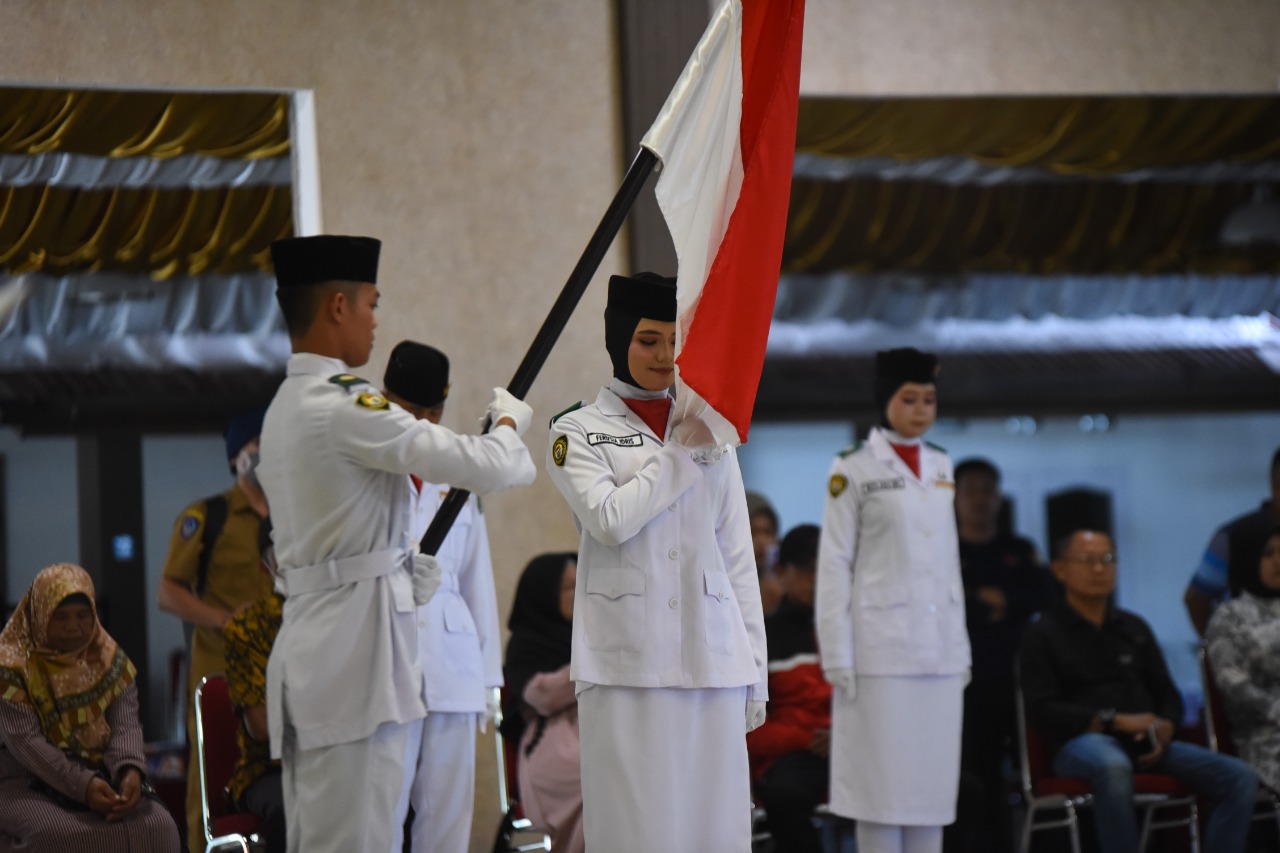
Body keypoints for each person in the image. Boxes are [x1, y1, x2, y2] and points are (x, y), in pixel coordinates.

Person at [256, 234, 537, 853]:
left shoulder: (286, 406)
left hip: (331, 658)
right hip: (356, 670)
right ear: (337, 307)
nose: (375, 322)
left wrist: (397, 569)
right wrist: (511, 424)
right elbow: (477, 463)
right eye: (371, 305)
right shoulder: (344, 403)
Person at [545, 272, 767, 852]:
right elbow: (611, 519)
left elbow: (736, 555)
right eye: (648, 339)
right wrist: (679, 456)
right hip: (627, 665)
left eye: (676, 340)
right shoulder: (577, 430)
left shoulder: (708, 430)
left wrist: (756, 671)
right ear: (618, 339)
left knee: (716, 835)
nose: (666, 356)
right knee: (638, 835)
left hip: (713, 658)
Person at [816, 347, 970, 853]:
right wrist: (837, 652)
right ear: (886, 400)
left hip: (939, 650)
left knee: (930, 792)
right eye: (910, 398)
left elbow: (949, 564)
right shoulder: (853, 469)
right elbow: (835, 563)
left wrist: (961, 647)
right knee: (879, 793)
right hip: (877, 652)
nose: (922, 409)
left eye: (930, 398)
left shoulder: (944, 465)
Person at [1020, 528, 1258, 853]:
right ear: (1060, 570)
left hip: (1147, 744)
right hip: (1079, 744)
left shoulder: (1134, 627)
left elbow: (1167, 694)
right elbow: (1043, 709)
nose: (1099, 569)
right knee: (1113, 766)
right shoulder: (1043, 634)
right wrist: (1112, 721)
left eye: (1107, 559)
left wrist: (1166, 726)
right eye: (1087, 560)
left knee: (1238, 777)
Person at [381, 340, 504, 853]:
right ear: (387, 402)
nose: (425, 425)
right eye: (413, 412)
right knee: (382, 816)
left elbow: (478, 579)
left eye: (434, 413)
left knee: (448, 819)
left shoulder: (456, 472)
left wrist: (490, 680)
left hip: (453, 668)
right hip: (387, 663)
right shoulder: (368, 464)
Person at [156, 406, 273, 853]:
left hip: (279, 674)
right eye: (255, 447)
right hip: (218, 674)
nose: (265, 455)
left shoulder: (295, 517)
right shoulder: (207, 517)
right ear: (235, 458)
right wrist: (226, 620)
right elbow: (168, 592)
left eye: (271, 445)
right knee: (208, 783)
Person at [0, 563, 180, 851]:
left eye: (83, 616)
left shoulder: (110, 660)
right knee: (60, 837)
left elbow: (125, 725)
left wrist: (129, 771)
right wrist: (82, 785)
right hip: (25, 779)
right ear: (40, 616)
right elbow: (26, 742)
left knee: (158, 828)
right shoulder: (11, 667)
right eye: (61, 617)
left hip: (105, 775)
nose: (74, 627)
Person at [949, 457, 1053, 853]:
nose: (979, 499)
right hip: (967, 681)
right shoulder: (944, 550)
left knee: (1032, 772)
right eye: (970, 490)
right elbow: (946, 604)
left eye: (987, 490)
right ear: (955, 497)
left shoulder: (1019, 548)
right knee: (977, 776)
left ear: (998, 497)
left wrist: (1004, 599)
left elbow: (1044, 594)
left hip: (1019, 677)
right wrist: (987, 601)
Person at [748, 524, 844, 853]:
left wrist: (850, 733)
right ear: (780, 571)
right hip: (796, 753)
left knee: (963, 789)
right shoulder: (763, 636)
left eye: (825, 570)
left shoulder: (854, 629)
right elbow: (750, 728)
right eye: (806, 570)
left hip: (857, 746)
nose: (817, 580)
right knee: (785, 796)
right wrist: (806, 739)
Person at [502, 552, 582, 853]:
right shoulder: (526, 642)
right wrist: (592, 664)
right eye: (568, 587)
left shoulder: (590, 636)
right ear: (544, 594)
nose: (579, 594)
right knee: (604, 780)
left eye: (581, 583)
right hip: (551, 748)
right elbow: (542, 696)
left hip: (593, 732)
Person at [222, 520, 285, 852]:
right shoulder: (248, 627)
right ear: (267, 564)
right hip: (270, 768)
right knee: (290, 807)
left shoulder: (343, 619)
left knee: (398, 798)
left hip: (340, 757)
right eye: (284, 548)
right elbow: (261, 727)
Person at [1206, 527, 1280, 794]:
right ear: (1249, 558)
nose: (1278, 561)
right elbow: (1231, 682)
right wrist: (1274, 708)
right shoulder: (1230, 617)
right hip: (1265, 735)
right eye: (1268, 553)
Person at [1184, 446, 1280, 636]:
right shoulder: (1235, 537)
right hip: (1249, 656)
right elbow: (1197, 599)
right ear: (1275, 488)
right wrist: (1215, 649)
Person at [746, 491, 784, 617]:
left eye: (767, 532)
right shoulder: (725, 583)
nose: (761, 541)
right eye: (753, 532)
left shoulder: (783, 581)